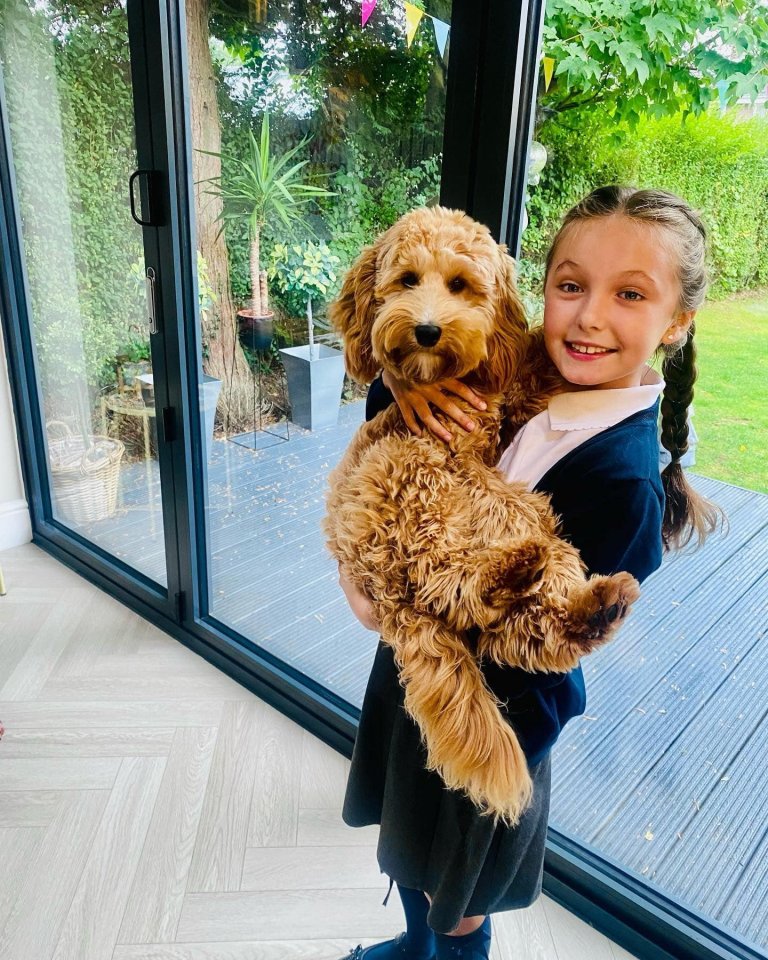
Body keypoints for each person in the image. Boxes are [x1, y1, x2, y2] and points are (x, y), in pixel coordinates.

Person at [336, 186, 721, 960]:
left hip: (501, 708)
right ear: (538, 294)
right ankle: (414, 946)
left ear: (675, 324)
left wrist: (377, 595)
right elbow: (395, 368)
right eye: (571, 286)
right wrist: (410, 399)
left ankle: (448, 953)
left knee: (460, 892)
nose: (588, 317)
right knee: (408, 854)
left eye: (631, 295)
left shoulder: (622, 486)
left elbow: (542, 635)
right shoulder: (522, 371)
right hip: (412, 680)